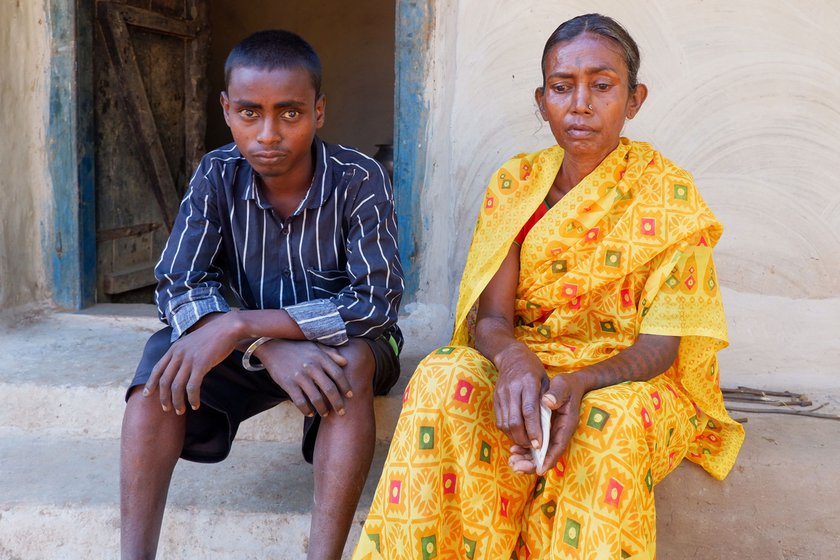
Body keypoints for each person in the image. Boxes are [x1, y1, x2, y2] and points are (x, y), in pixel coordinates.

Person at [353, 13, 743, 560]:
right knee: (443, 374)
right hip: (531, 359)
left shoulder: (668, 195)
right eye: (562, 88)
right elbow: (490, 319)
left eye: (602, 86)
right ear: (542, 100)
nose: (580, 104)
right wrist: (514, 361)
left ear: (634, 99)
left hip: (623, 376)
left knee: (611, 428)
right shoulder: (516, 183)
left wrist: (579, 383)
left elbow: (663, 344)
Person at [120, 30, 404, 560]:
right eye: (250, 113)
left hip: (350, 343)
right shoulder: (216, 172)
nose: (268, 133)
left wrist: (238, 326)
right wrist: (259, 343)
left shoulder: (359, 178)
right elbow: (177, 282)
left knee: (353, 363)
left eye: (290, 113)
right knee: (160, 359)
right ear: (227, 111)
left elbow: (374, 304)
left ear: (319, 112)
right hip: (251, 348)